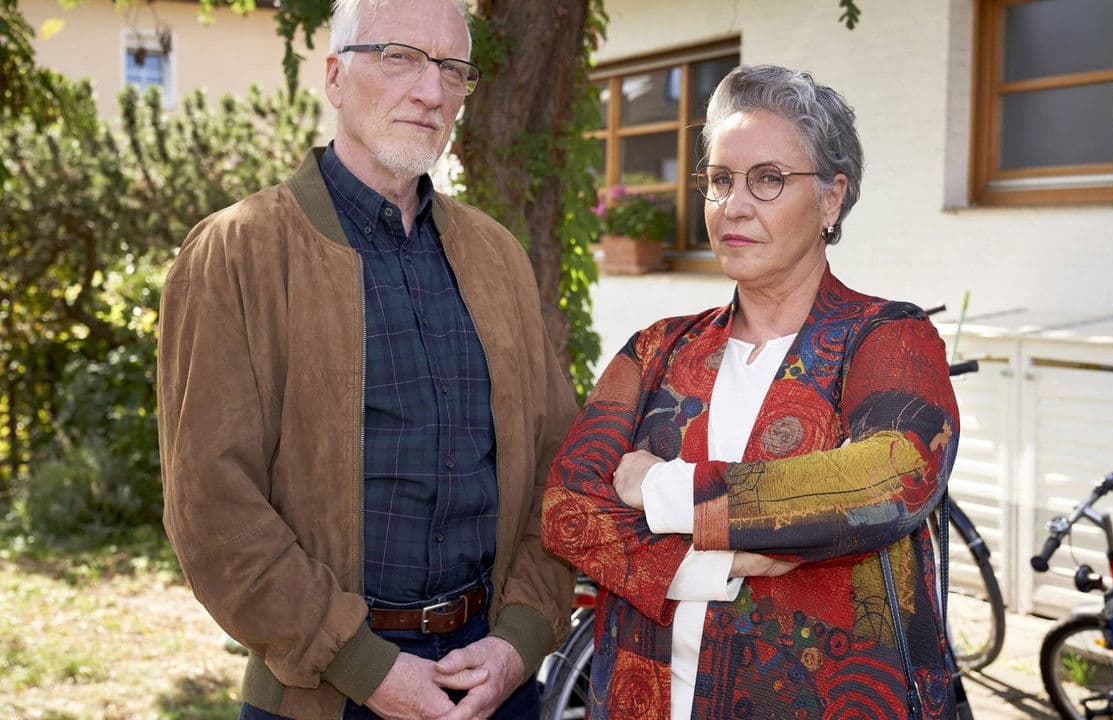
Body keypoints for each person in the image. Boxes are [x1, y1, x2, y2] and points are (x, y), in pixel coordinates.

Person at [156, 0, 577, 717]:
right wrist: (364, 665)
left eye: (453, 69)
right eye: (399, 57)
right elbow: (211, 503)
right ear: (335, 77)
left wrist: (521, 638)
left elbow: (559, 464)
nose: (431, 92)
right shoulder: (238, 252)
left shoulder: (498, 257)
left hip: (493, 680)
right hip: (324, 690)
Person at [542, 64, 961, 720]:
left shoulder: (887, 338)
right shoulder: (657, 349)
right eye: (720, 180)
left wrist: (664, 490)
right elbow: (569, 505)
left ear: (830, 199)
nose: (734, 205)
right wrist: (718, 563)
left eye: (768, 179)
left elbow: (889, 478)